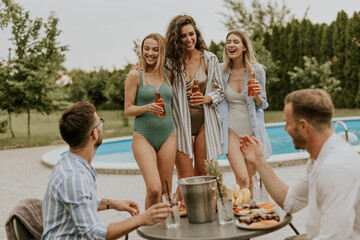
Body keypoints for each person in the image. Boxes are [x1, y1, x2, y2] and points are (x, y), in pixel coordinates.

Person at [239, 89, 360, 239]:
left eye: (288, 123)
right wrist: (259, 161)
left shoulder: (335, 168)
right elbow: (291, 202)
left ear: (303, 126)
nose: (285, 128)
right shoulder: (318, 157)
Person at [42, 102, 172, 240]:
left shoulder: (71, 164)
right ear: (94, 133)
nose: (101, 127)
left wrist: (113, 204)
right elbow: (94, 233)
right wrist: (142, 219)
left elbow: (81, 202)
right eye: (100, 124)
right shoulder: (74, 177)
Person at [165, 15, 224, 199]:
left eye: (191, 34)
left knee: (203, 173)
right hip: (180, 123)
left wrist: (206, 98)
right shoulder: (170, 62)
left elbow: (219, 90)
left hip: (204, 121)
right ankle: (175, 210)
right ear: (176, 39)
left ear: (196, 34)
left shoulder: (209, 58)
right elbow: (156, 79)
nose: (188, 39)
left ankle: (201, 214)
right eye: (183, 36)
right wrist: (138, 69)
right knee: (186, 177)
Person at [125, 33, 177, 209]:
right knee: (154, 190)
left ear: (161, 52)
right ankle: (149, 228)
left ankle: (165, 230)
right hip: (143, 137)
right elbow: (128, 109)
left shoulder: (168, 74)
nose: (150, 53)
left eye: (155, 49)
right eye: (146, 48)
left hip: (168, 136)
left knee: (166, 190)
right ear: (142, 50)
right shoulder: (134, 75)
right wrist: (148, 107)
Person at [217, 30, 272, 192]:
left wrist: (256, 97)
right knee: (242, 178)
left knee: (251, 180)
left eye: (235, 41)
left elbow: (264, 104)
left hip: (252, 130)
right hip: (230, 130)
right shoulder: (220, 70)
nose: (231, 45)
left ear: (244, 47)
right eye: (228, 42)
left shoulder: (257, 71)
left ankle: (248, 215)